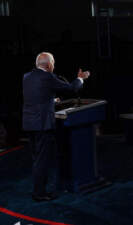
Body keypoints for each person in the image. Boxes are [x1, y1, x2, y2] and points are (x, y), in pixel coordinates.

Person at [23, 52, 90, 201]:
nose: (53, 65)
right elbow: (72, 88)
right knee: (42, 161)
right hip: (42, 125)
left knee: (37, 159)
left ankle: (38, 190)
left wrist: (51, 100)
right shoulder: (48, 77)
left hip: (29, 123)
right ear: (48, 65)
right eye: (53, 63)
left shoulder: (26, 77)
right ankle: (39, 194)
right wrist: (80, 78)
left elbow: (35, 97)